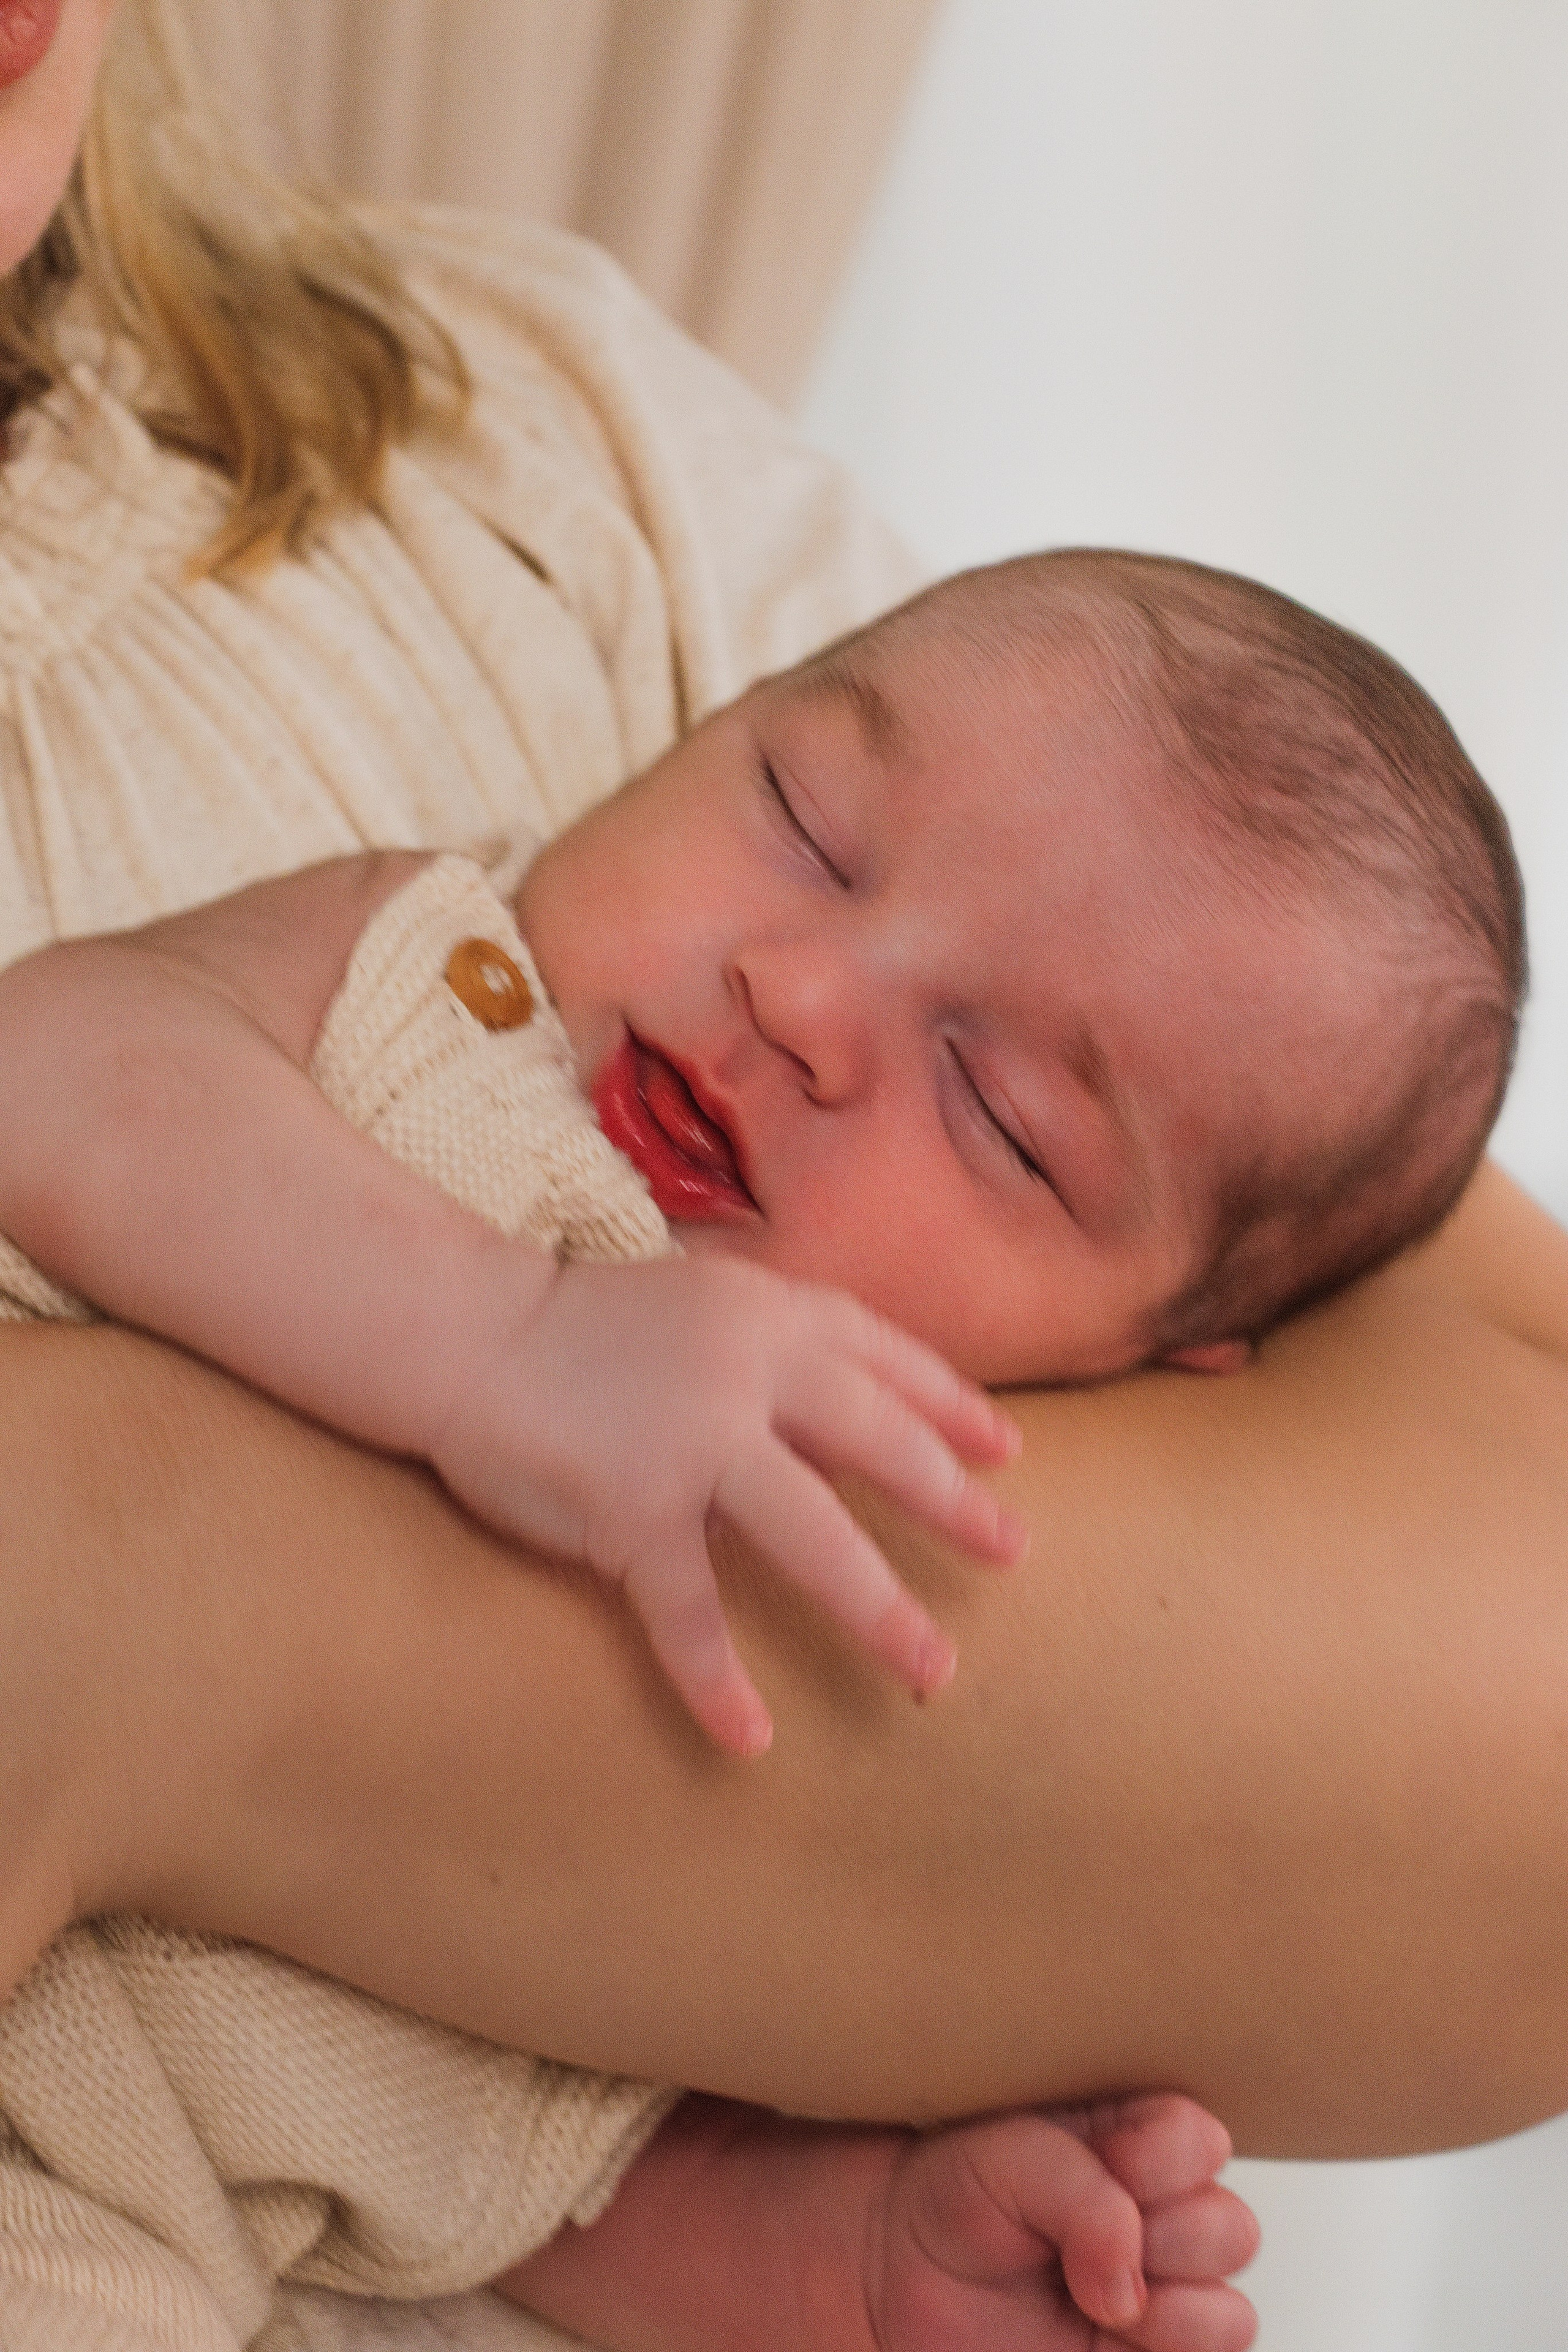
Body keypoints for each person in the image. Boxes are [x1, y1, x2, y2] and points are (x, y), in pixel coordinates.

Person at [1, 1, 1567, 2343]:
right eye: (803, 822)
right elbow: (56, 1061)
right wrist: (501, 1344)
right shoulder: (442, 977)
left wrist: (825, 2249)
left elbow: (452, 2111)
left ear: (1162, 1366)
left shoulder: (509, 429)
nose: (808, 1005)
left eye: (1011, 1125)